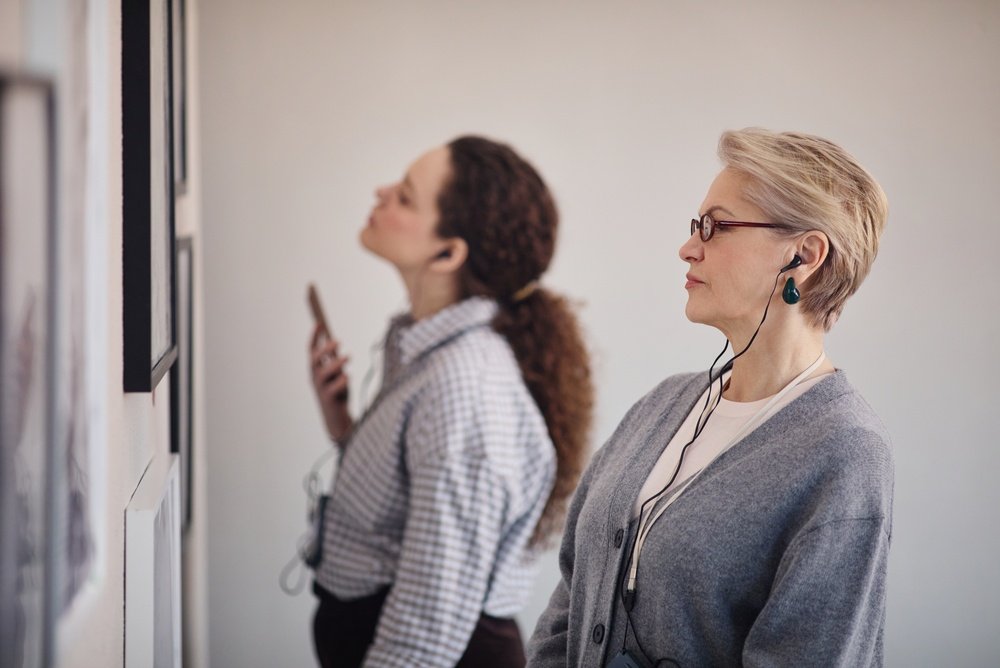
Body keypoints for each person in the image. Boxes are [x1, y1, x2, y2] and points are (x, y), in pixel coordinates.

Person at [526, 128, 893, 667]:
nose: (688, 247)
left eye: (715, 227)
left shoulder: (844, 452)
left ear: (804, 255)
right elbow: (571, 597)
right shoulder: (663, 405)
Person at [308, 135, 594, 667]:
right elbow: (409, 503)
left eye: (406, 196)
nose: (381, 192)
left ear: (448, 252)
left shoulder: (463, 385)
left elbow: (426, 625)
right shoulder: (425, 349)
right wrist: (343, 423)